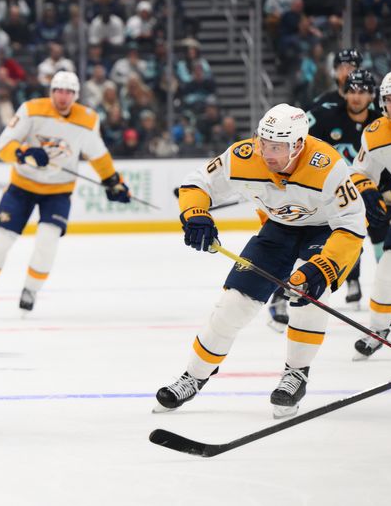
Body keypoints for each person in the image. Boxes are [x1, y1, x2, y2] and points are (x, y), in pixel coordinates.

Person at [155, 103, 365, 419]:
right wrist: (195, 213)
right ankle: (194, 375)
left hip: (324, 232)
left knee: (309, 296)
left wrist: (324, 266)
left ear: (298, 145)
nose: (267, 153)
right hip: (277, 231)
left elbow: (352, 224)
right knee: (231, 306)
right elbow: (197, 183)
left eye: (277, 147)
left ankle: (296, 373)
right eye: (264, 142)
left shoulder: (328, 167)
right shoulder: (244, 155)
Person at [0, 71, 132, 315]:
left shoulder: (87, 119)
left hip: (59, 191)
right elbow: (4, 145)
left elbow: (98, 154)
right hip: (22, 186)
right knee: (1, 239)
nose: (63, 97)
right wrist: (24, 152)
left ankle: (31, 289)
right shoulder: (32, 110)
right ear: (51, 91)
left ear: (75, 95)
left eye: (69, 92)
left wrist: (113, 181)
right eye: (58, 91)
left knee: (47, 239)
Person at [267, 70, 382, 326]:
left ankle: (370, 288)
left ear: (371, 95)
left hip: (359, 193)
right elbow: (295, 138)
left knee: (355, 237)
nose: (356, 96)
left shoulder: (380, 123)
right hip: (322, 194)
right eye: (352, 90)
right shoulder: (326, 115)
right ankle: (279, 294)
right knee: (296, 243)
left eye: (362, 91)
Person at [350, 71, 391, 359]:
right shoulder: (375, 134)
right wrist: (369, 194)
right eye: (390, 100)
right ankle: (378, 328)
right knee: (389, 269)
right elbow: (359, 172)